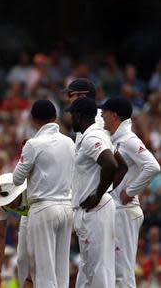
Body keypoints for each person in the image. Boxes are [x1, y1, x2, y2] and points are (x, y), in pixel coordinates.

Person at [12, 100, 75, 287]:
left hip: (43, 208)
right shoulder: (69, 142)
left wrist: (26, 150)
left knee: (44, 271)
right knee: (61, 270)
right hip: (66, 206)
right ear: (54, 118)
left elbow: (17, 179)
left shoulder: (33, 144)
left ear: (33, 120)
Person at [101, 97, 160, 287]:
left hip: (125, 211)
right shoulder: (116, 139)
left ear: (114, 115)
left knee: (122, 272)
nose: (102, 115)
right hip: (117, 210)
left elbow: (152, 166)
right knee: (113, 271)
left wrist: (130, 191)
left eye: (105, 112)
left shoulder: (128, 140)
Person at [66, 97, 118, 287]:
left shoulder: (92, 137)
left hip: (95, 210)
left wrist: (98, 194)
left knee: (98, 269)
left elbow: (111, 164)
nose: (70, 119)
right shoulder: (93, 134)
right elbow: (120, 165)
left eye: (71, 115)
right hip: (94, 209)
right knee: (90, 269)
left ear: (79, 116)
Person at [0, 173, 29, 288]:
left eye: (11, 199)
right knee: (22, 260)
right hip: (27, 217)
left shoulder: (31, 191)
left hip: (43, 212)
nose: (9, 205)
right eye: (6, 201)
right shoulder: (1, 203)